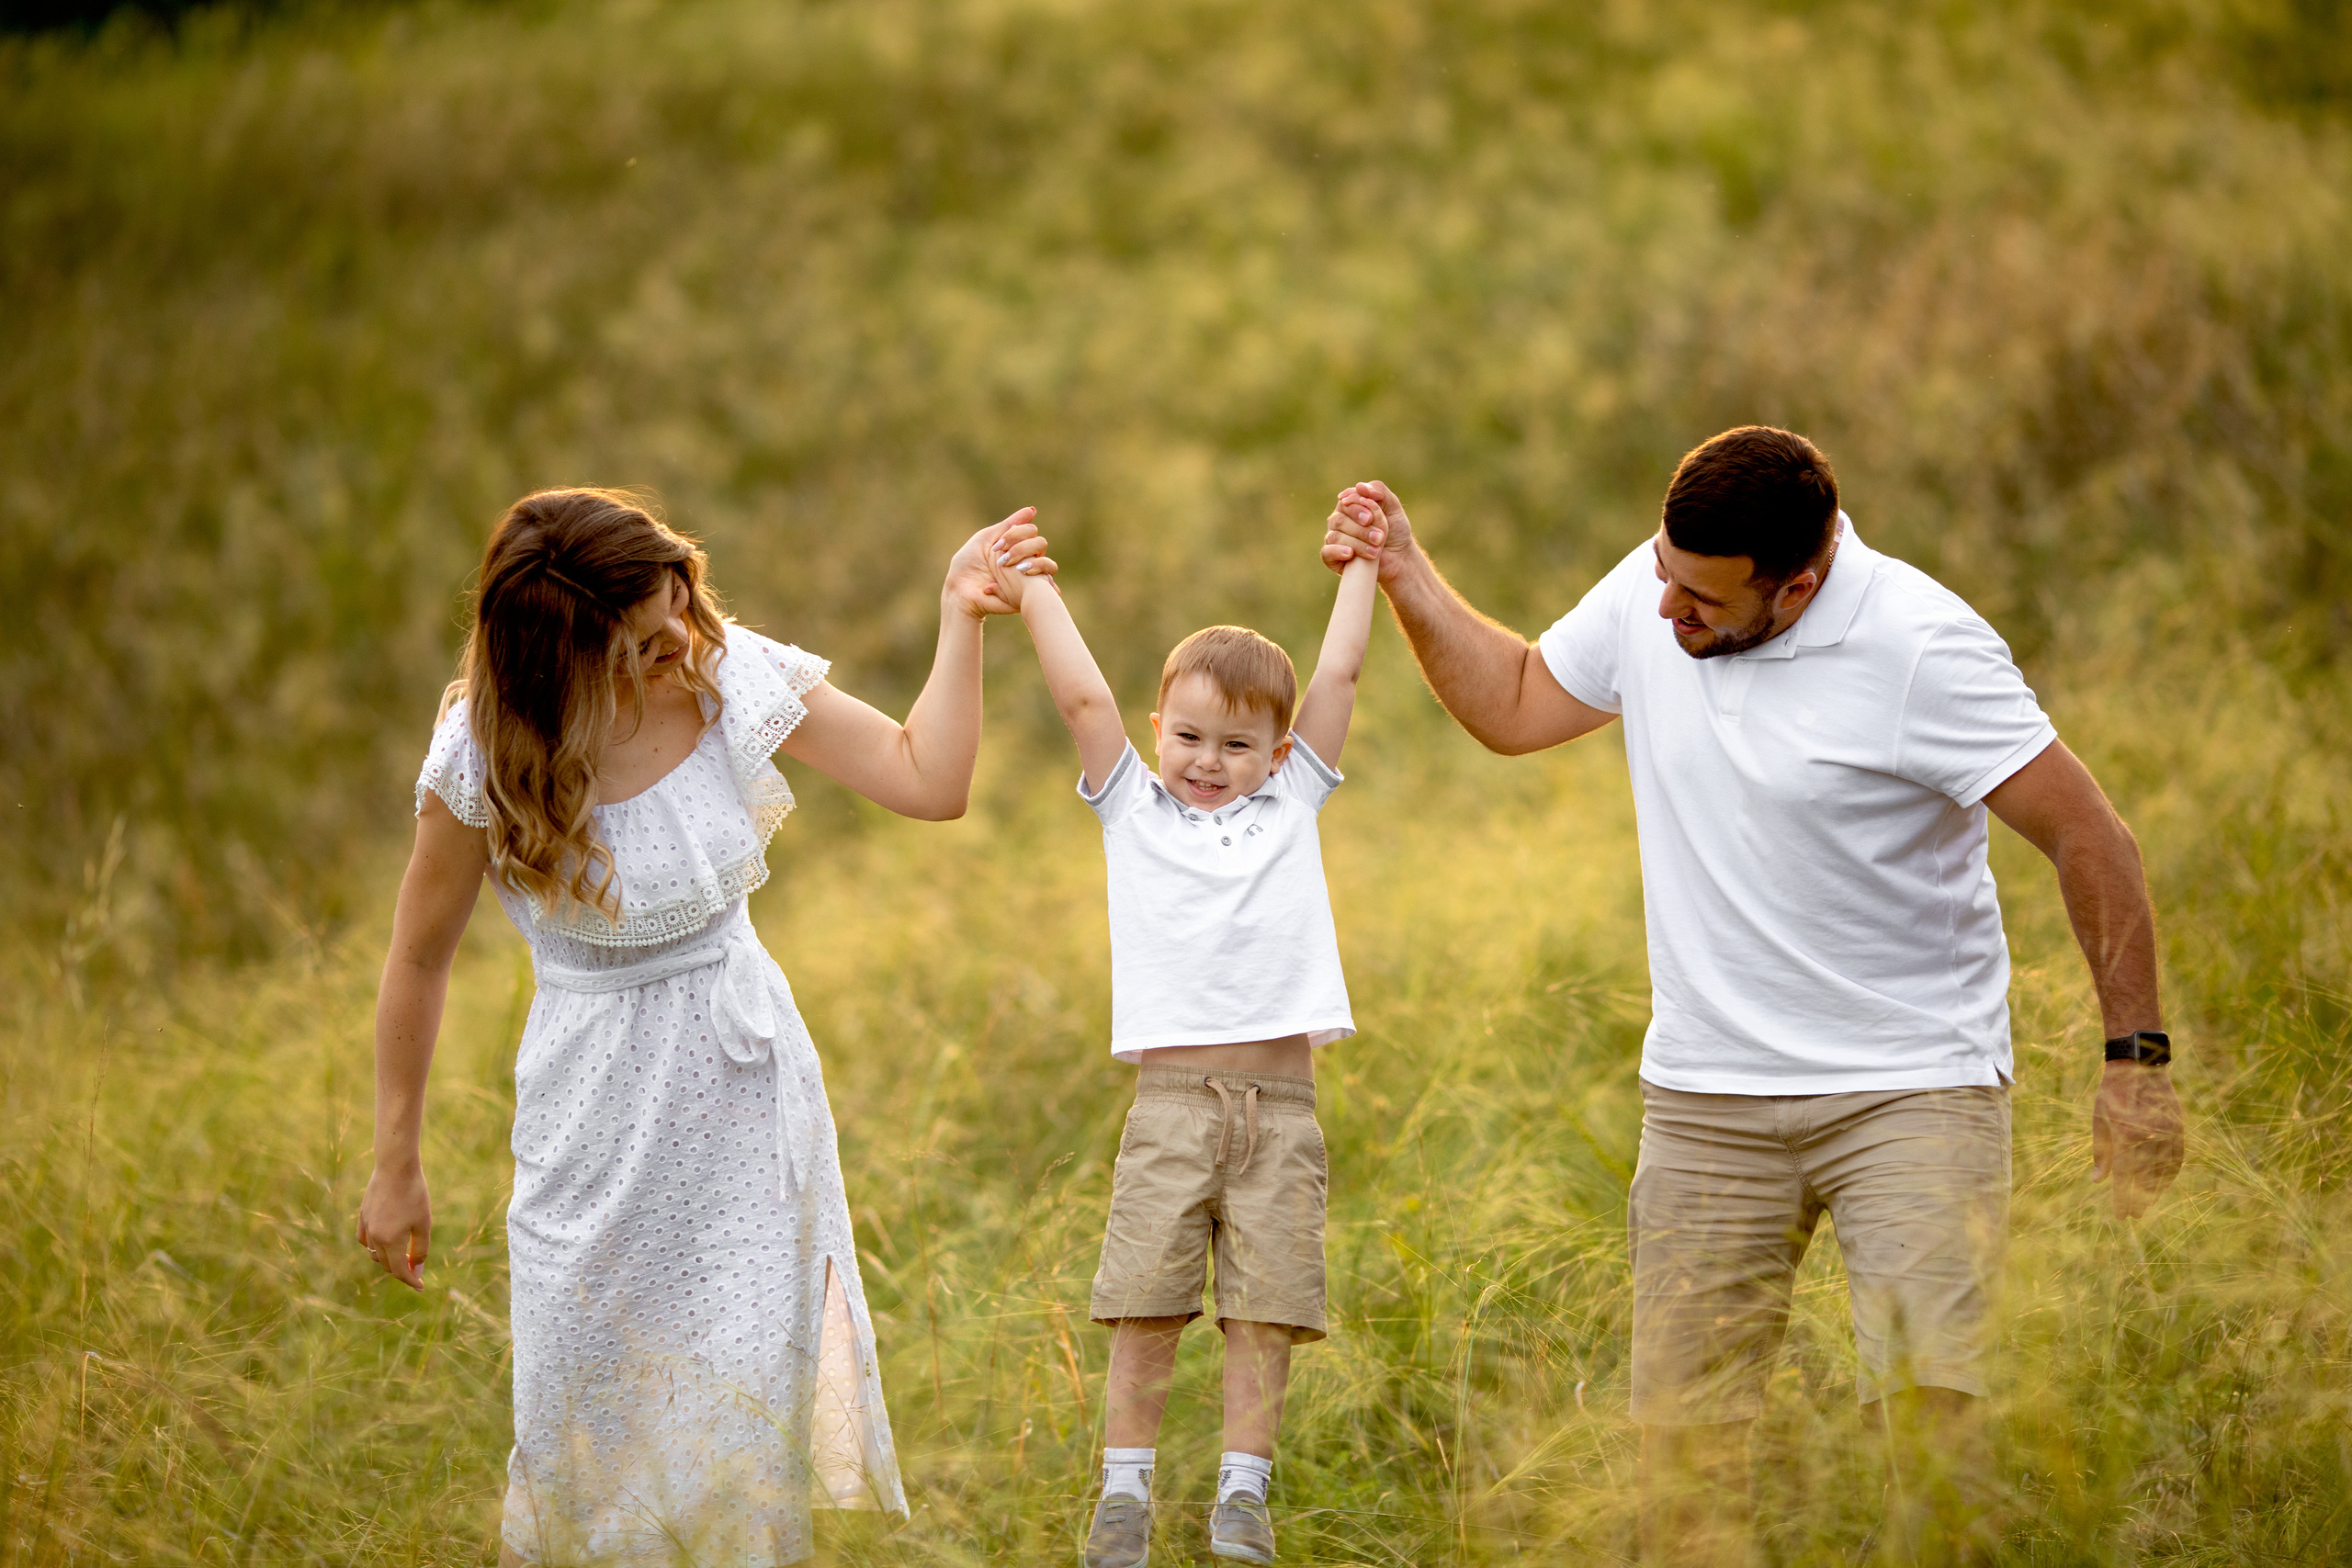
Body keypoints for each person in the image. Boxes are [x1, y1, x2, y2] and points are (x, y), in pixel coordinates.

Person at [1320, 427, 2185, 1565]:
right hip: (1704, 1100)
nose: (1668, 613)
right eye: (1664, 578)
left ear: (1802, 584)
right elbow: (1521, 702)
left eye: (1703, 602)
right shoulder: (1658, 585)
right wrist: (1408, 576)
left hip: (1911, 1089)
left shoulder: (1920, 645)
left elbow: (2092, 838)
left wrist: (2138, 1068)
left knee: (1931, 1449)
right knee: (1681, 1471)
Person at [356, 488, 1056, 1566]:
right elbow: (416, 957)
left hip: (744, 1097)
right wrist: (394, 1159)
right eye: (641, 640)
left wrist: (959, 615)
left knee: (739, 1429)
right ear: (560, 659)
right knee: (578, 1434)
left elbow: (930, 779)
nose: (679, 640)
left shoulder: (727, 673)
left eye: (677, 603)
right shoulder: (480, 753)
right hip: (590, 1119)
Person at [982, 529, 1379, 1565]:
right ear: (1160, 730)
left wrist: (1363, 568)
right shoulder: (1132, 808)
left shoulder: (1294, 801)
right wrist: (1031, 592)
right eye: (1191, 737)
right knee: (1146, 1303)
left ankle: (1242, 1498)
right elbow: (1080, 702)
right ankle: (1124, 1498)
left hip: (1280, 1115)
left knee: (1266, 1311)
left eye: (1238, 746)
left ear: (1280, 754)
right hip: (1171, 1107)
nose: (1210, 763)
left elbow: (1337, 670)